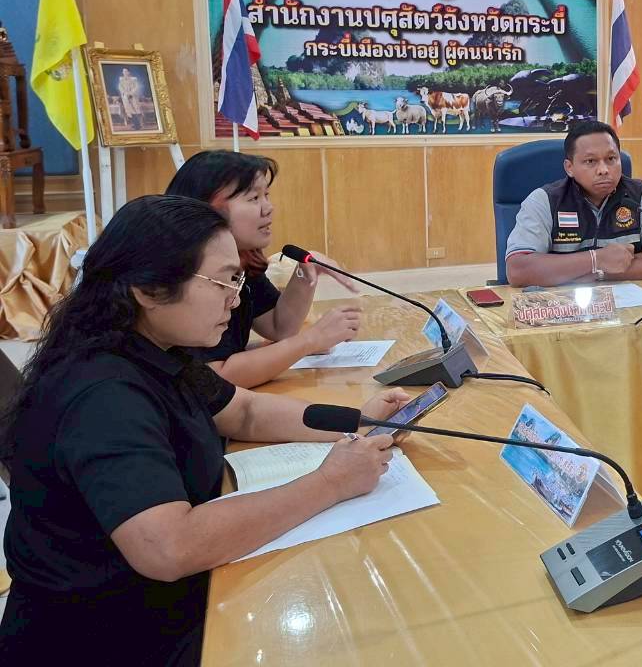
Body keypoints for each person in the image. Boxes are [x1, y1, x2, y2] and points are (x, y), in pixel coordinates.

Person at [0, 195, 411, 665]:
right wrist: (330, 483)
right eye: (222, 281)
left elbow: (244, 412)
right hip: (103, 638)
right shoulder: (104, 395)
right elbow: (169, 547)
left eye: (238, 280)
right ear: (148, 289)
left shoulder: (154, 347)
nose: (235, 299)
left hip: (157, 605)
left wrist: (358, 421)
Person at [166, 150, 362, 388]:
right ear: (207, 207)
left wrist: (306, 271)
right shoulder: (190, 276)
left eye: (266, 195)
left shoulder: (242, 259)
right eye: (253, 198)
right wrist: (310, 340)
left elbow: (279, 327)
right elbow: (215, 379)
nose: (268, 208)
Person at [505, 120, 642, 287]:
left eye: (611, 159)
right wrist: (595, 259)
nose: (603, 170)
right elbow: (517, 270)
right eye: (590, 161)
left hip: (628, 300)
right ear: (569, 168)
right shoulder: (544, 200)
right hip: (562, 301)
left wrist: (600, 273)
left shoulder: (641, 195)